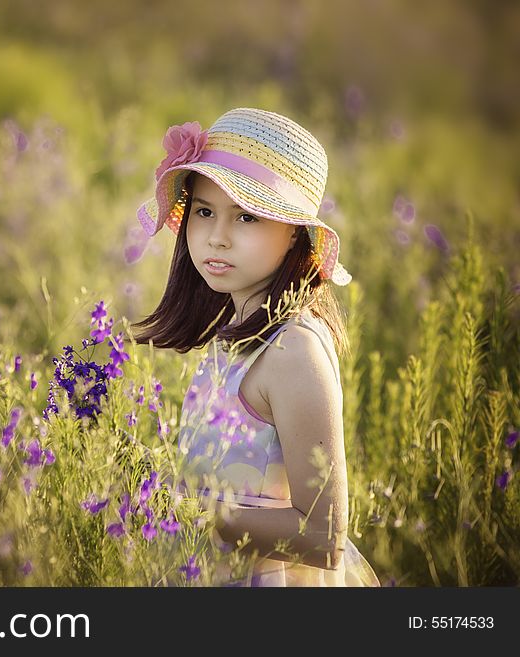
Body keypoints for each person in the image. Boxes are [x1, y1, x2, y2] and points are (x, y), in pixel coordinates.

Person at [132, 107, 380, 586]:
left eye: (246, 215)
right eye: (204, 211)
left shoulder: (293, 351)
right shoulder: (238, 333)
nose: (217, 237)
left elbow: (324, 535)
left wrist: (185, 512)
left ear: (293, 235)